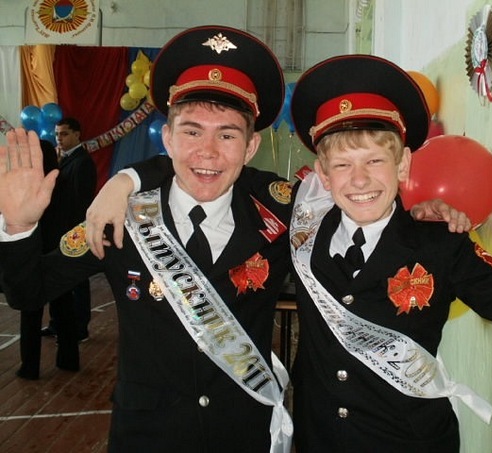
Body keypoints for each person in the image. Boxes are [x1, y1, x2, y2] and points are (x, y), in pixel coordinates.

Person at [0, 25, 296, 453]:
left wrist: (128, 175)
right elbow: (28, 292)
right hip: (147, 436)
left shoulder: (280, 211)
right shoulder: (120, 216)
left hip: (241, 433)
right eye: (191, 132)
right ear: (168, 139)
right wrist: (18, 227)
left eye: (227, 135)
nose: (208, 151)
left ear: (250, 147)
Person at [282, 54, 492, 452]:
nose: (359, 180)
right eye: (342, 165)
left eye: (375, 160)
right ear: (323, 174)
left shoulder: (441, 244)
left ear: (403, 164)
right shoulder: (301, 235)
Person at [41, 117, 96, 345]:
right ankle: (57, 324)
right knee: (58, 280)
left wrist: (73, 234)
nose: (59, 138)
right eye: (57, 134)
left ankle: (80, 328)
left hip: (73, 233)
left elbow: (80, 202)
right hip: (58, 231)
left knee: (77, 282)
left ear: (77, 134)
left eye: (64, 134)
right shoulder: (62, 159)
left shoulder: (82, 162)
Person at [16, 139, 59, 379]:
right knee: (61, 305)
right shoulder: (60, 178)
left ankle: (30, 366)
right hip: (56, 251)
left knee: (30, 311)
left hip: (36, 253)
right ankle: (68, 359)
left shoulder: (34, 185)